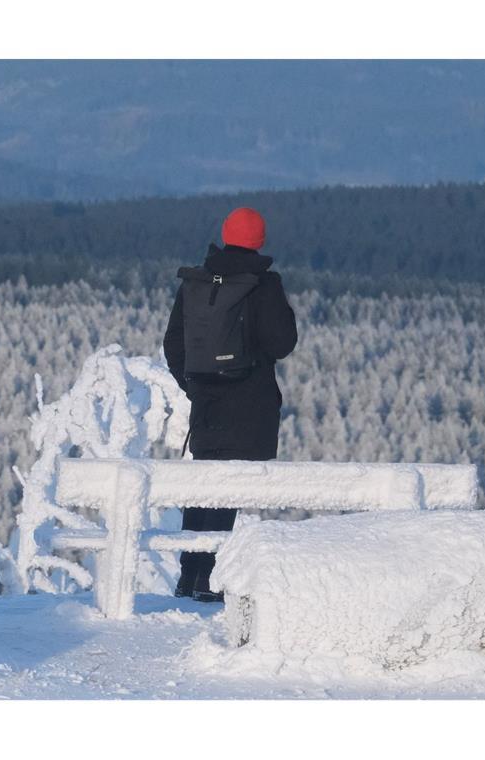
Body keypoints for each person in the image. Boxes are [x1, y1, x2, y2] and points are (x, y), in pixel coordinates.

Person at [162, 207, 298, 602]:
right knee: (230, 487)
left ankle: (190, 576)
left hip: (207, 405)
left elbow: (174, 344)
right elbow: (282, 344)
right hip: (251, 403)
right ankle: (211, 579)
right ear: (260, 241)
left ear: (224, 234)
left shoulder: (197, 282)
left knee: (203, 486)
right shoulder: (263, 284)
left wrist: (194, 388)